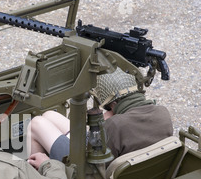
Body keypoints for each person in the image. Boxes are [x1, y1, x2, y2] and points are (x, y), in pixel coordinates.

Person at [27, 67, 173, 161]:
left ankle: (36, 176)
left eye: (108, 107)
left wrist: (46, 164)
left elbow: (91, 162)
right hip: (133, 165)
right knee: (48, 116)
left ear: (114, 105)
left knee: (36, 123)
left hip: (85, 173)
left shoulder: (116, 125)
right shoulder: (162, 113)